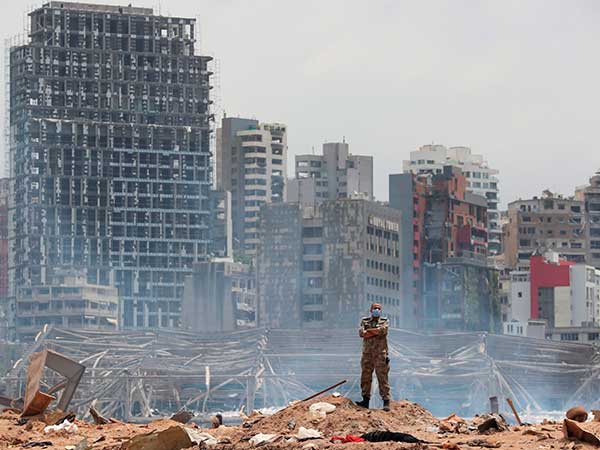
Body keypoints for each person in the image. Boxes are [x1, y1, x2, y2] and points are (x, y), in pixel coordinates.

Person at [356, 302, 390, 411]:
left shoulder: (384, 321)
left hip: (380, 354)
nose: (377, 310)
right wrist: (375, 332)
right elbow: (362, 333)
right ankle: (365, 401)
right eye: (375, 308)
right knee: (366, 377)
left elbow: (383, 331)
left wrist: (369, 331)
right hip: (367, 354)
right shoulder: (364, 321)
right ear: (371, 310)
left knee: (382, 378)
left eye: (379, 308)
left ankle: (386, 401)